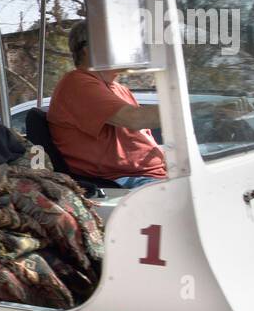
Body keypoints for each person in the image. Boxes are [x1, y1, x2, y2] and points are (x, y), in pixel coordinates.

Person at [47, 20, 166, 187]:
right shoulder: (78, 83)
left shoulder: (120, 89)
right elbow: (135, 119)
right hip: (123, 182)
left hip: (150, 175)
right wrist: (185, 110)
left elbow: (142, 141)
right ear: (90, 50)